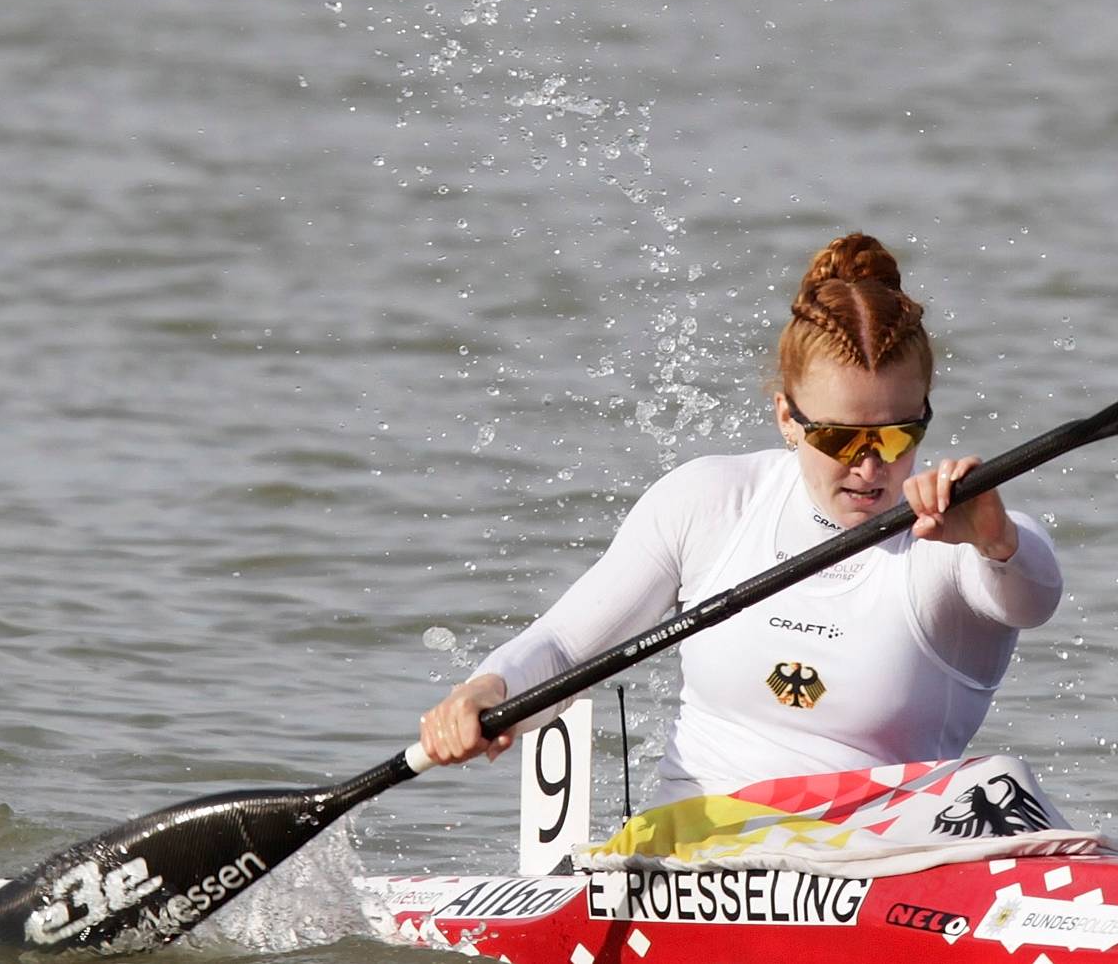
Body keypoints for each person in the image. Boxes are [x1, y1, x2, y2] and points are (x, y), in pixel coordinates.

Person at [418, 233, 1063, 806]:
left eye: (896, 437)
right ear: (787, 417)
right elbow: (565, 646)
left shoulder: (957, 534)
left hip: (891, 858)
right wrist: (488, 689)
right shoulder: (711, 501)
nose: (870, 467)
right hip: (695, 866)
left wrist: (995, 539)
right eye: (840, 439)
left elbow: (1034, 599)